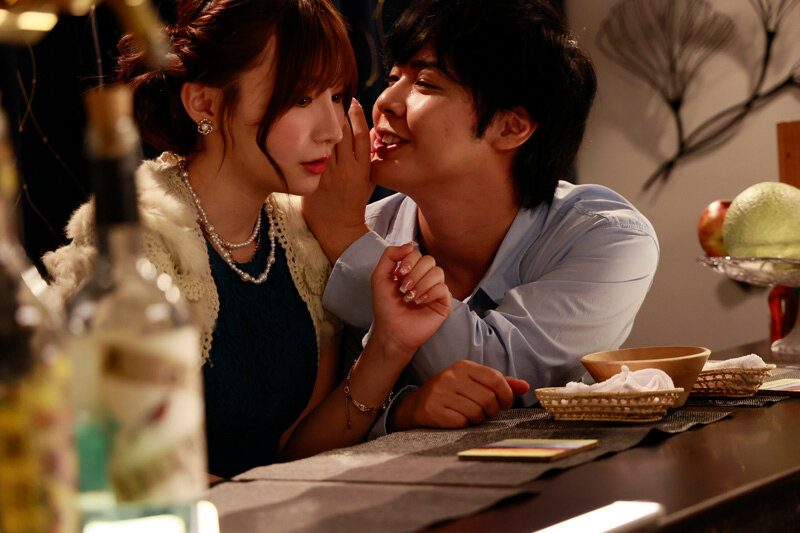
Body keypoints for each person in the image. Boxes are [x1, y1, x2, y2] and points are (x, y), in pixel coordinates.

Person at [42, 0, 451, 478]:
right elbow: (116, 461)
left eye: (337, 96)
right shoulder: (133, 238)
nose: (334, 130)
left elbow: (293, 450)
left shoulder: (297, 233)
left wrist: (390, 344)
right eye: (301, 99)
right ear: (205, 104)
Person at [303, 0, 659, 434]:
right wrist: (403, 411)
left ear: (511, 127)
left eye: (425, 84)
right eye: (394, 78)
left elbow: (500, 380)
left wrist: (347, 239)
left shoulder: (607, 238)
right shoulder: (352, 229)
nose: (386, 102)